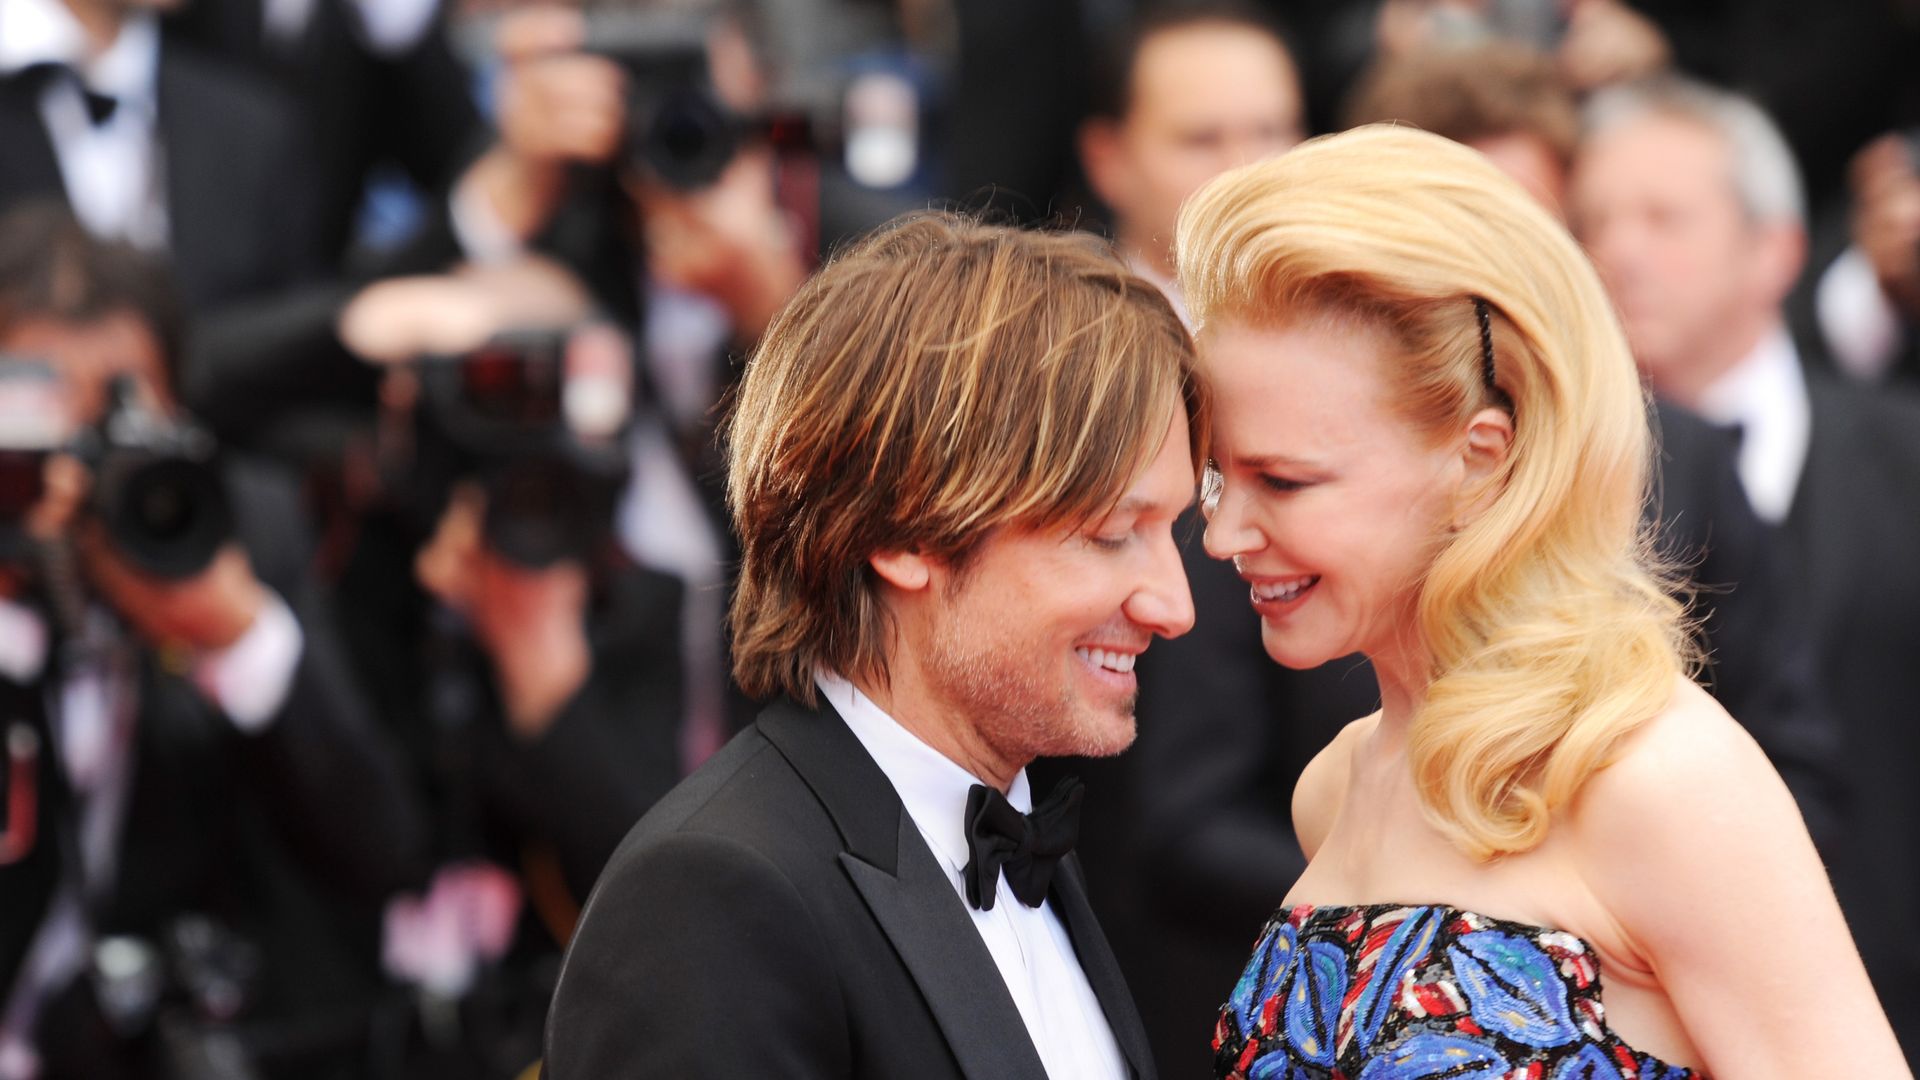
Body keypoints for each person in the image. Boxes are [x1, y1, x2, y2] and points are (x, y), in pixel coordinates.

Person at [1179, 125, 1905, 1077]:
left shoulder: (1652, 776)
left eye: (1288, 481)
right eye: (1219, 481)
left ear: (1480, 460)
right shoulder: (1336, 788)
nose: (1225, 537)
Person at [543, 212, 1203, 1079]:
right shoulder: (710, 901)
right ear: (908, 537)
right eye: (1113, 531)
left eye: (1173, 531)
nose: (1175, 605)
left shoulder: (1029, 843)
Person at [0, 202, 426, 1078]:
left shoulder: (230, 524)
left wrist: (237, 640)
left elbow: (379, 853)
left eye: (122, 417)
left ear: (182, 411)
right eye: (44, 423)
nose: (80, 475)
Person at [1571, 75, 1920, 1058]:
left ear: (1778, 250)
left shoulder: (1908, 459)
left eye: (1663, 217)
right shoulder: (1530, 505)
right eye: (1593, 220)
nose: (1620, 252)